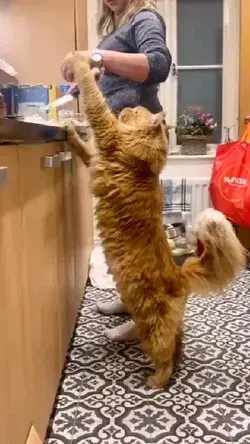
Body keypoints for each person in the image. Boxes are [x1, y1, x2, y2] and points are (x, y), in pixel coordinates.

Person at [61, 0, 172, 341]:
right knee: (126, 237)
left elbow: (158, 64)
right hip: (122, 141)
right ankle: (131, 300)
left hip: (136, 137)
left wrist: (96, 57)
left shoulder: (145, 16)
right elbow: (122, 74)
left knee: (135, 239)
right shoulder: (121, 23)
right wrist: (93, 77)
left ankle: (147, 316)